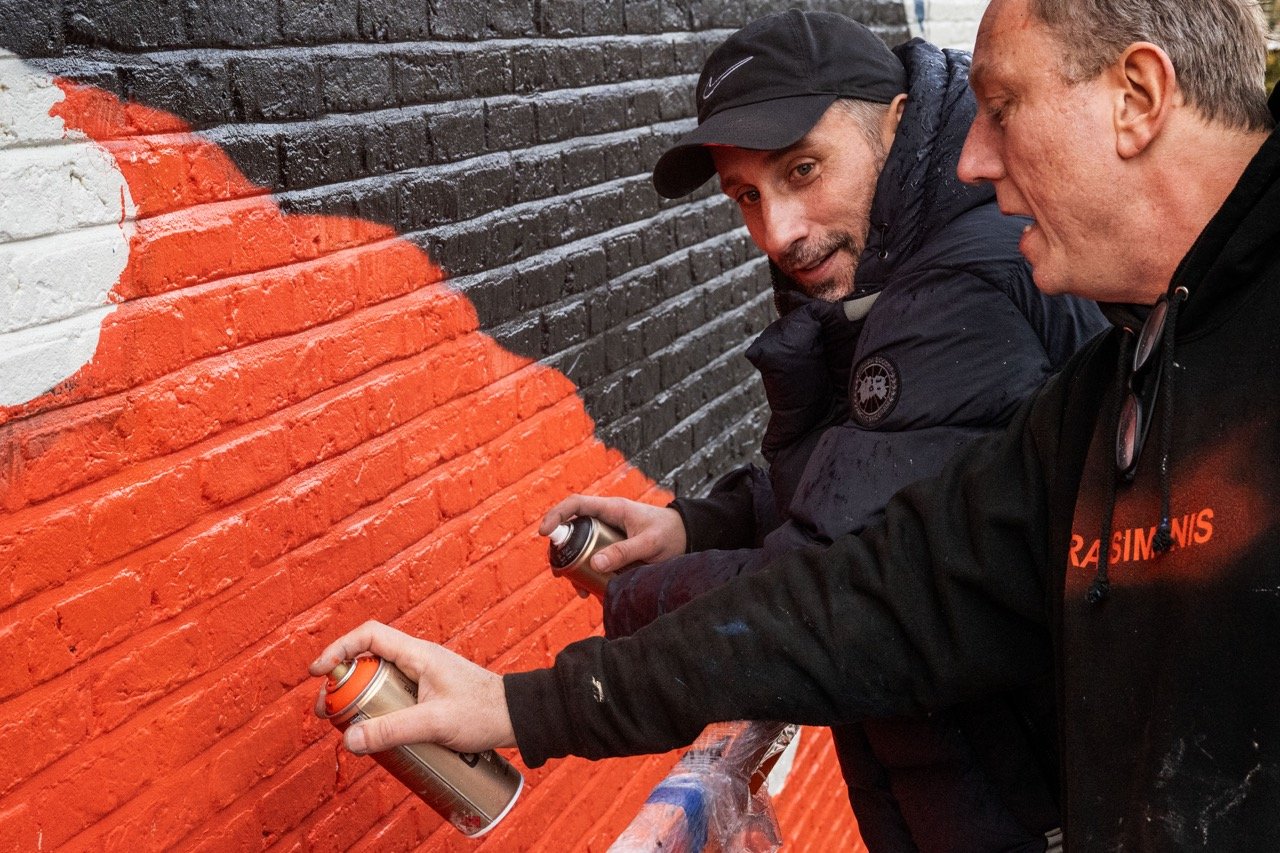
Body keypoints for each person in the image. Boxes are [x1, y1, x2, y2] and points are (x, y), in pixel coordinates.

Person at [311, 0, 1280, 848]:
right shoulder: (1122, 372)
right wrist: (523, 697)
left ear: (1137, 97)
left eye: (1004, 107)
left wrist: (569, 656)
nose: (976, 159)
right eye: (745, 197)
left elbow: (849, 575)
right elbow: (874, 589)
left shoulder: (997, 288)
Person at [539, 11, 1104, 852]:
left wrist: (591, 638)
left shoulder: (961, 285)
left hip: (1037, 800)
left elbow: (830, 584)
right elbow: (872, 465)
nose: (780, 231)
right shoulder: (896, 263)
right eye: (747, 197)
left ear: (898, 117)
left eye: (803, 169)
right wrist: (701, 523)